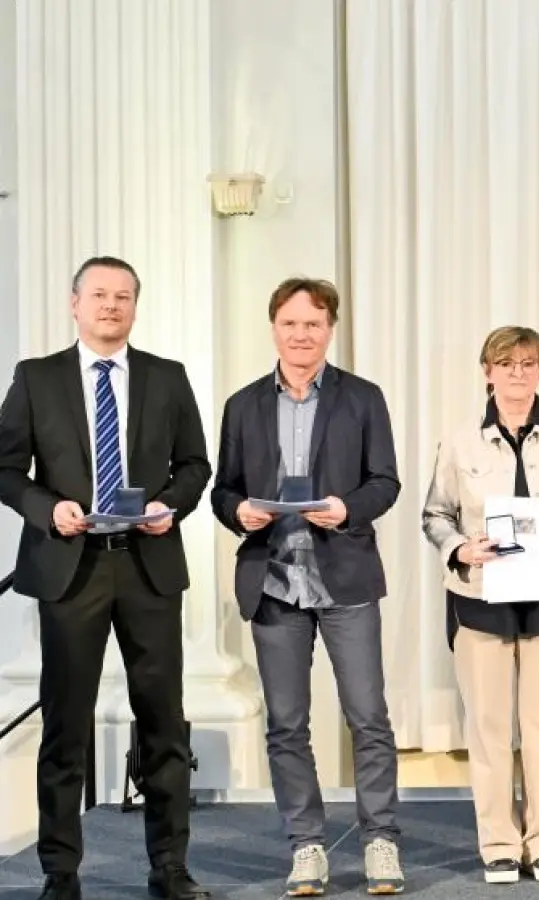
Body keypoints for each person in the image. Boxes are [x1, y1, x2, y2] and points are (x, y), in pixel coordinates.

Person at [0, 257, 212, 900]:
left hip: (148, 565)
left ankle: (170, 867)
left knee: (163, 722)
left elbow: (195, 465)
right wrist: (48, 510)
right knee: (66, 725)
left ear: (135, 307)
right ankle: (60, 873)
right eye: (99, 294)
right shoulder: (36, 378)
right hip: (72, 568)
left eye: (123, 296)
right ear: (75, 304)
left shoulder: (167, 377)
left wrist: (169, 505)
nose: (111, 305)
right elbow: (5, 469)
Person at [209, 278, 404, 896]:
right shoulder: (243, 404)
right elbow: (223, 488)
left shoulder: (362, 397)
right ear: (274, 328)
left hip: (345, 578)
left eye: (313, 324)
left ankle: (380, 840)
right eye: (291, 324)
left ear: (330, 330)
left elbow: (385, 481)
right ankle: (307, 845)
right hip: (274, 583)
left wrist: (348, 509)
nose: (301, 335)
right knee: (286, 723)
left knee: (368, 717)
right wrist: (238, 511)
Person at [421, 326, 539, 885]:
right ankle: (499, 844)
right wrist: (461, 549)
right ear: (488, 372)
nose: (518, 373)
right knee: (490, 727)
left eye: (528, 363)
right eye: (506, 364)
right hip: (480, 598)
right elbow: (435, 515)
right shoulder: (459, 441)